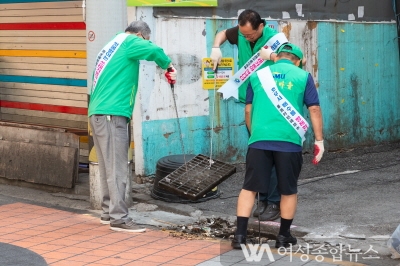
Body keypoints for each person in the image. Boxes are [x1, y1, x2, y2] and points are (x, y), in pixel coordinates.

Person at [231, 43, 324, 249]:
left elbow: (248, 111)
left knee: (249, 188)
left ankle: (239, 237)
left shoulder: (257, 75)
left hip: (259, 140)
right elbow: (314, 109)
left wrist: (255, 134)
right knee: (288, 190)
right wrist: (319, 140)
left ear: (277, 57)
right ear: (297, 61)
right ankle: (283, 237)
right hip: (289, 142)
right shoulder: (303, 76)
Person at [88, 21, 177, 233]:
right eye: (144, 40)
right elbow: (155, 50)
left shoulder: (112, 44)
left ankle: (108, 212)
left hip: (99, 113)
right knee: (118, 167)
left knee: (107, 166)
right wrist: (169, 66)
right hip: (112, 114)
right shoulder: (130, 42)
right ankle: (119, 218)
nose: (144, 44)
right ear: (139, 35)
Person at [210, 9, 283, 221]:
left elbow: (294, 61)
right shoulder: (241, 32)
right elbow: (223, 33)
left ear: (261, 26)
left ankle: (274, 201)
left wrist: (272, 56)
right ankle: (263, 198)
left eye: (250, 35)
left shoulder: (277, 39)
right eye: (244, 35)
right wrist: (216, 47)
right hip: (251, 99)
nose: (246, 38)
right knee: (258, 154)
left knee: (273, 152)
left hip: (272, 100)